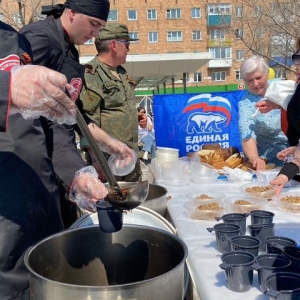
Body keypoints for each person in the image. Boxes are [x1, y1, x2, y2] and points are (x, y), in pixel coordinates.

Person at [0, 20, 108, 300]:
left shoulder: (15, 39)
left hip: (43, 216)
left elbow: (53, 126)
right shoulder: (37, 36)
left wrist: (76, 174)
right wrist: (5, 90)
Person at [80, 23, 147, 182]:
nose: (129, 49)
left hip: (130, 158)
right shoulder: (92, 74)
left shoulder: (121, 73)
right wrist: (97, 161)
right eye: (127, 44)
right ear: (114, 45)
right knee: (109, 204)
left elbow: (115, 109)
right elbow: (86, 122)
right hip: (108, 162)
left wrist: (134, 117)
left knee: (132, 203)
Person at [238, 55, 288, 171]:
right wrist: (254, 158)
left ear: (267, 74)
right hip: (267, 163)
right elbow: (246, 131)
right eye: (250, 80)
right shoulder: (246, 104)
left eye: (258, 78)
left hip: (293, 155)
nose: (255, 84)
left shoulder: (282, 88)